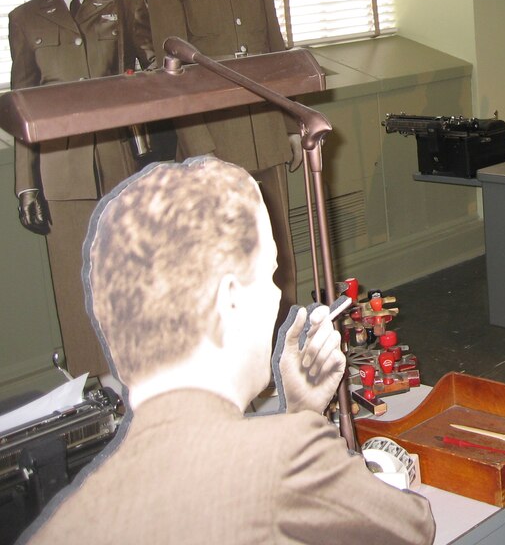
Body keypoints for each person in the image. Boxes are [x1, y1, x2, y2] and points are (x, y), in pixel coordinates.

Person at [20, 157, 436, 544]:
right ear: (230, 299)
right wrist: (302, 431)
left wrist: (301, 413)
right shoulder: (285, 456)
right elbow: (413, 528)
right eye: (270, 275)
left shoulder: (63, 527)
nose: (278, 295)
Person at [144, 0, 302, 326]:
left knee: (278, 259)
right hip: (215, 141)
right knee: (227, 266)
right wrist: (200, 151)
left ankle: (286, 361)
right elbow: (175, 72)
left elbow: (274, 47)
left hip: (264, 131)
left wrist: (291, 124)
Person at [8, 0, 157, 378]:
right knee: (78, 294)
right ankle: (95, 400)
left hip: (122, 165)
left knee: (131, 283)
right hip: (61, 175)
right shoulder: (25, 19)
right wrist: (26, 183)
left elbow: (159, 82)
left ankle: (146, 389)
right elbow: (25, 107)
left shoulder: (125, 4)